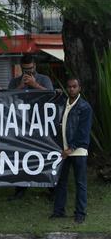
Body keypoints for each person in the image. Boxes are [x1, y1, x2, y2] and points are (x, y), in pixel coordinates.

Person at [8, 54, 54, 200]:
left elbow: (52, 95)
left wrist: (35, 85)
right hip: (21, 124)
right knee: (21, 156)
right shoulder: (15, 81)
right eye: (25, 69)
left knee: (45, 155)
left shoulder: (44, 79)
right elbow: (7, 98)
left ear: (35, 66)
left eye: (31, 69)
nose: (28, 72)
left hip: (41, 123)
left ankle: (50, 188)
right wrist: (21, 86)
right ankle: (20, 188)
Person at [50, 78, 92, 224]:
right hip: (64, 151)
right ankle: (58, 211)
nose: (71, 89)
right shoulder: (65, 103)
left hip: (78, 151)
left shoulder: (84, 107)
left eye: (74, 87)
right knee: (61, 182)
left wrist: (71, 148)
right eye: (69, 87)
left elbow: (83, 133)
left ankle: (80, 213)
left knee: (80, 183)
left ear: (79, 88)